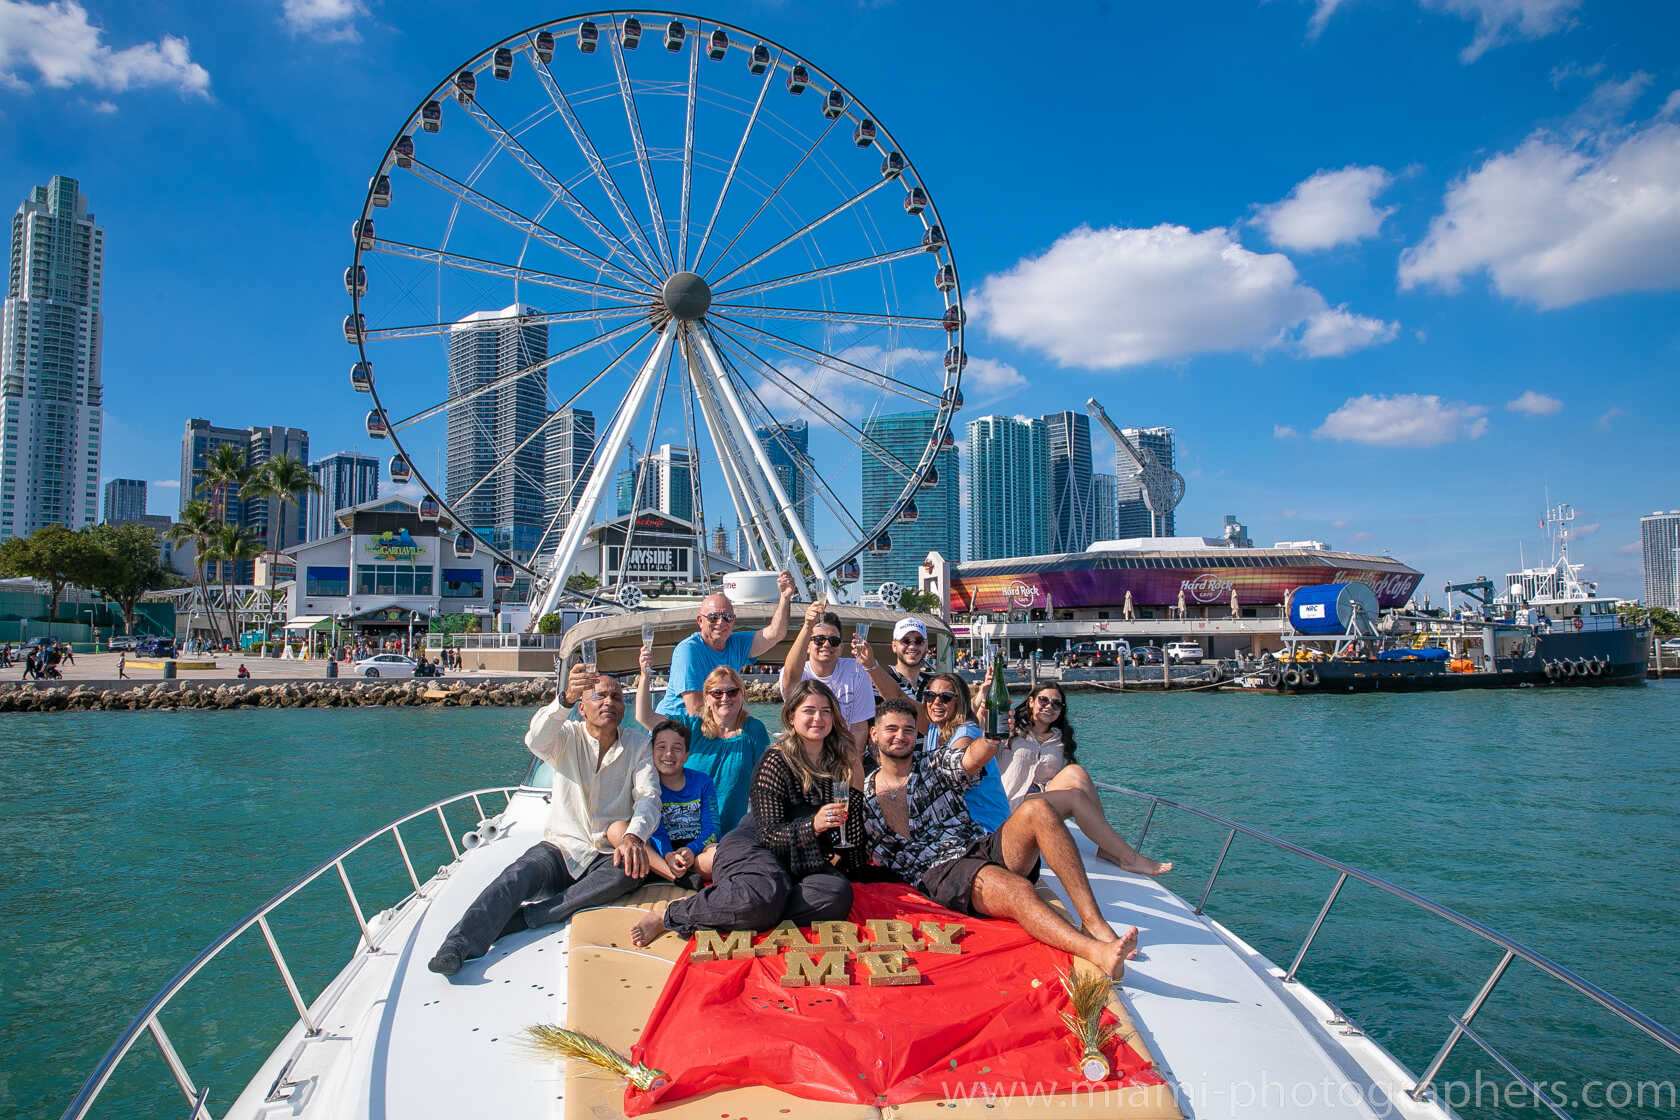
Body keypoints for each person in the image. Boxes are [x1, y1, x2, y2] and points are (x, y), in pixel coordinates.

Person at [861, 698, 1137, 980]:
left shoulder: (933, 763)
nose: (901, 736)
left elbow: (969, 758)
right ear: (874, 734)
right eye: (891, 729)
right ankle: (1096, 952)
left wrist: (991, 738)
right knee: (1016, 889)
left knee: (1037, 808)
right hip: (940, 871)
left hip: (978, 844)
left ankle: (1093, 921)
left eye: (908, 729)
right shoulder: (864, 799)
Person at [430, 663, 658, 976]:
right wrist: (563, 699)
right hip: (562, 847)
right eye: (600, 696)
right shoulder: (565, 737)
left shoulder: (638, 745)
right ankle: (457, 944)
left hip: (607, 853)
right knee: (517, 874)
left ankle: (529, 918)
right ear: (581, 707)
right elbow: (535, 739)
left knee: (629, 873)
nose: (610, 702)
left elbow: (648, 797)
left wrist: (634, 836)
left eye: (617, 697)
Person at [629, 678, 865, 948]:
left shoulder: (842, 761)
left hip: (801, 857)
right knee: (765, 894)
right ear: (791, 716)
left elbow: (852, 824)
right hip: (754, 846)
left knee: (836, 894)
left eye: (825, 711)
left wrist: (854, 863)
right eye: (809, 711)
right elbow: (769, 833)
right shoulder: (776, 760)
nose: (818, 718)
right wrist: (813, 825)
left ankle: (752, 907)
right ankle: (671, 913)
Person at [995, 684, 1171, 875]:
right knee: (1075, 798)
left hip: (1044, 800)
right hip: (1012, 804)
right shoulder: (1009, 730)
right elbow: (980, 726)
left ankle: (1105, 846)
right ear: (1030, 701)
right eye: (1043, 700)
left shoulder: (1060, 739)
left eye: (1056, 704)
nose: (1049, 706)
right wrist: (983, 695)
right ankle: (1129, 858)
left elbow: (1063, 778)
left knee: (1076, 772)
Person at [635, 646, 769, 831]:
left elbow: (764, 783)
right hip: (684, 830)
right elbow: (645, 718)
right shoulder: (691, 727)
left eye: (732, 692)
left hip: (732, 833)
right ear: (706, 698)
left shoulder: (754, 730)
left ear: (741, 694)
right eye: (717, 693)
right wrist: (644, 674)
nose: (725, 698)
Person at [656, 572, 798, 717]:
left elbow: (776, 634)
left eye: (727, 617)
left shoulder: (736, 644)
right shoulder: (688, 650)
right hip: (675, 731)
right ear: (700, 621)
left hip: (711, 724)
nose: (721, 622)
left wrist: (785, 597)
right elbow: (696, 710)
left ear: (733, 621)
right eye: (713, 617)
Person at [780, 602, 905, 753]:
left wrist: (851, 768)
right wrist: (807, 626)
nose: (826, 644)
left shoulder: (856, 671)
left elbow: (858, 728)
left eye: (833, 641)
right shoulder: (799, 672)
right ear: (807, 645)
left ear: (841, 648)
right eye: (819, 639)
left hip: (841, 753)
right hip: (802, 752)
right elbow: (791, 679)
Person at [635, 718, 720, 884]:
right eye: (661, 747)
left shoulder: (703, 782)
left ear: (687, 755)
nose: (668, 754)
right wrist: (667, 854)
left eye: (677, 749)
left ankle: (690, 874)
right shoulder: (647, 785)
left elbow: (713, 828)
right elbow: (654, 830)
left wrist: (692, 849)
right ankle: (677, 875)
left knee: (716, 855)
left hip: (697, 851)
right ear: (651, 751)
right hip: (662, 854)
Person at [923, 671, 1012, 832]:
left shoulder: (965, 735)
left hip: (982, 828)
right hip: (954, 822)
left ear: (959, 701)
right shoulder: (934, 727)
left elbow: (948, 783)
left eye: (945, 697)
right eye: (930, 695)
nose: (936, 702)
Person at [882, 617, 935, 702]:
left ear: (926, 646)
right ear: (894, 646)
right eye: (906, 641)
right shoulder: (879, 680)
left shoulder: (933, 684)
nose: (912, 647)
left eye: (919, 641)